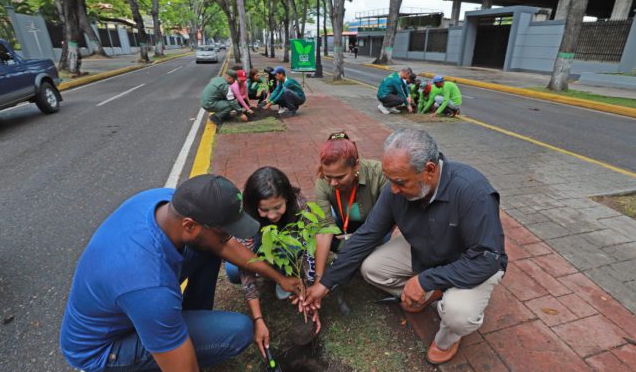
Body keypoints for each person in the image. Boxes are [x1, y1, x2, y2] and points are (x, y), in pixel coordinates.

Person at [60, 174, 304, 372]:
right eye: (224, 232)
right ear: (189, 225)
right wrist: (177, 347)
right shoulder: (150, 287)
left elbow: (222, 245)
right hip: (105, 349)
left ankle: (182, 326)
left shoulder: (167, 203)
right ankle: (170, 338)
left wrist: (279, 277)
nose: (229, 238)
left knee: (206, 247)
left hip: (134, 305)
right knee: (239, 331)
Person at [304, 129, 508, 365]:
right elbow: (367, 235)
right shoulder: (395, 189)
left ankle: (448, 338)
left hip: (468, 262)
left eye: (400, 182)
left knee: (458, 315)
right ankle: (437, 292)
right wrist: (326, 282)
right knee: (371, 269)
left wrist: (425, 280)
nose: (393, 190)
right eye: (390, 180)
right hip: (426, 249)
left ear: (429, 171)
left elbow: (488, 258)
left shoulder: (473, 191)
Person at [223, 167, 321, 355]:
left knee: (294, 247)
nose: (273, 215)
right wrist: (258, 319)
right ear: (254, 205)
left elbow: (310, 250)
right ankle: (277, 276)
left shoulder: (299, 206)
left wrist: (308, 291)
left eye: (278, 207)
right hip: (263, 250)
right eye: (264, 210)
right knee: (233, 271)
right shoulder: (245, 216)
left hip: (288, 251)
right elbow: (246, 265)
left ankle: (285, 274)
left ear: (287, 198)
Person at [313, 132, 390, 313]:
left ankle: (354, 254)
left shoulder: (379, 174)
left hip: (378, 228)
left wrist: (355, 241)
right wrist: (319, 279)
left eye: (339, 177)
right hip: (346, 225)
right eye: (328, 177)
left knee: (382, 243)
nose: (332, 183)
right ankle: (353, 253)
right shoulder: (323, 182)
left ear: (356, 165)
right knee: (317, 231)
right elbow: (325, 229)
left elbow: (389, 222)